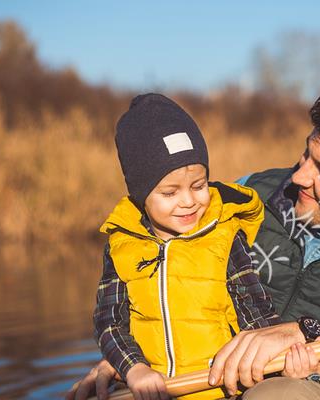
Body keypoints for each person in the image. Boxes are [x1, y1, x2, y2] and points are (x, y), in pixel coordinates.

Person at [69, 84, 320, 400]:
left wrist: (317, 350)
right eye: (306, 154)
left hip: (303, 388)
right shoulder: (249, 196)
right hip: (199, 379)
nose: (299, 176)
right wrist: (133, 356)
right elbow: (164, 265)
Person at [93, 93, 282, 400]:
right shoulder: (121, 245)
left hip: (224, 390)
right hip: (152, 390)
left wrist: (280, 348)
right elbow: (108, 322)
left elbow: (255, 308)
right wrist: (134, 369)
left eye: (198, 185)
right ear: (141, 195)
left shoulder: (223, 235)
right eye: (170, 192)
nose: (189, 201)